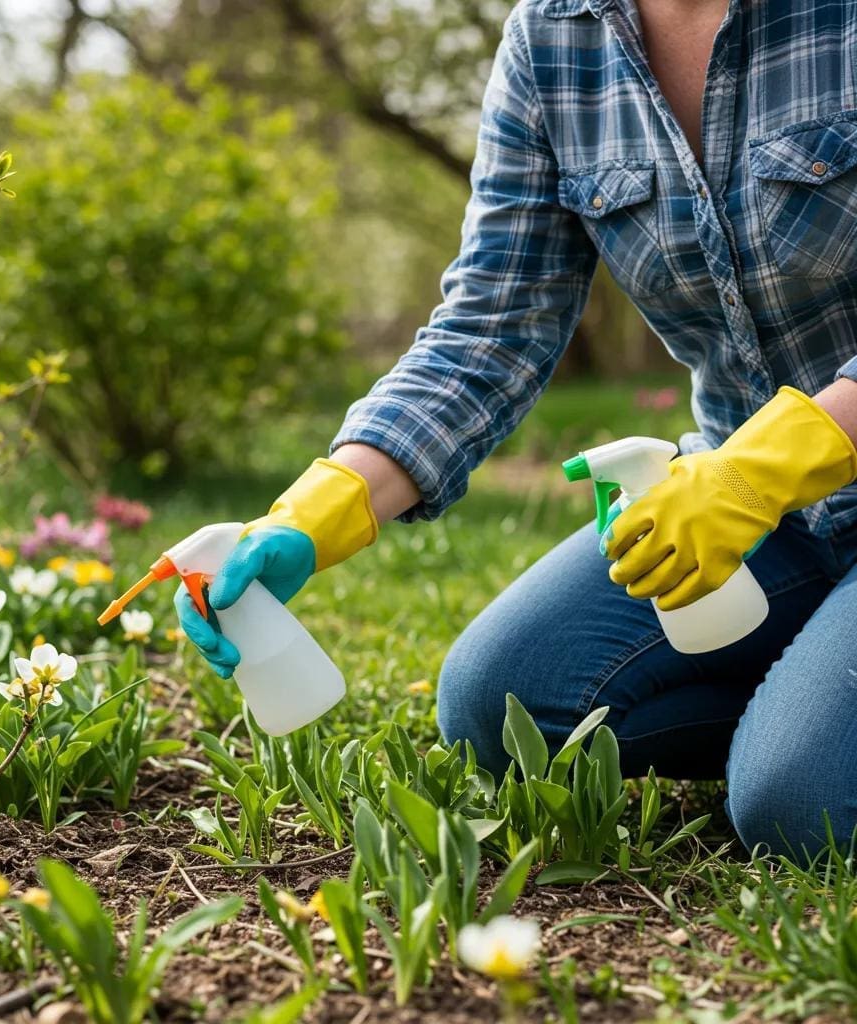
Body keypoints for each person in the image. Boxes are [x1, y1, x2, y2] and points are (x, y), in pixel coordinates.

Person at [175, 0, 857, 856]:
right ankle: (809, 707)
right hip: (736, 518)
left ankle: (806, 746)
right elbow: (491, 328)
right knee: (500, 710)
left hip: (751, 489)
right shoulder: (556, 37)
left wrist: (762, 467)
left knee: (804, 807)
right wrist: (315, 511)